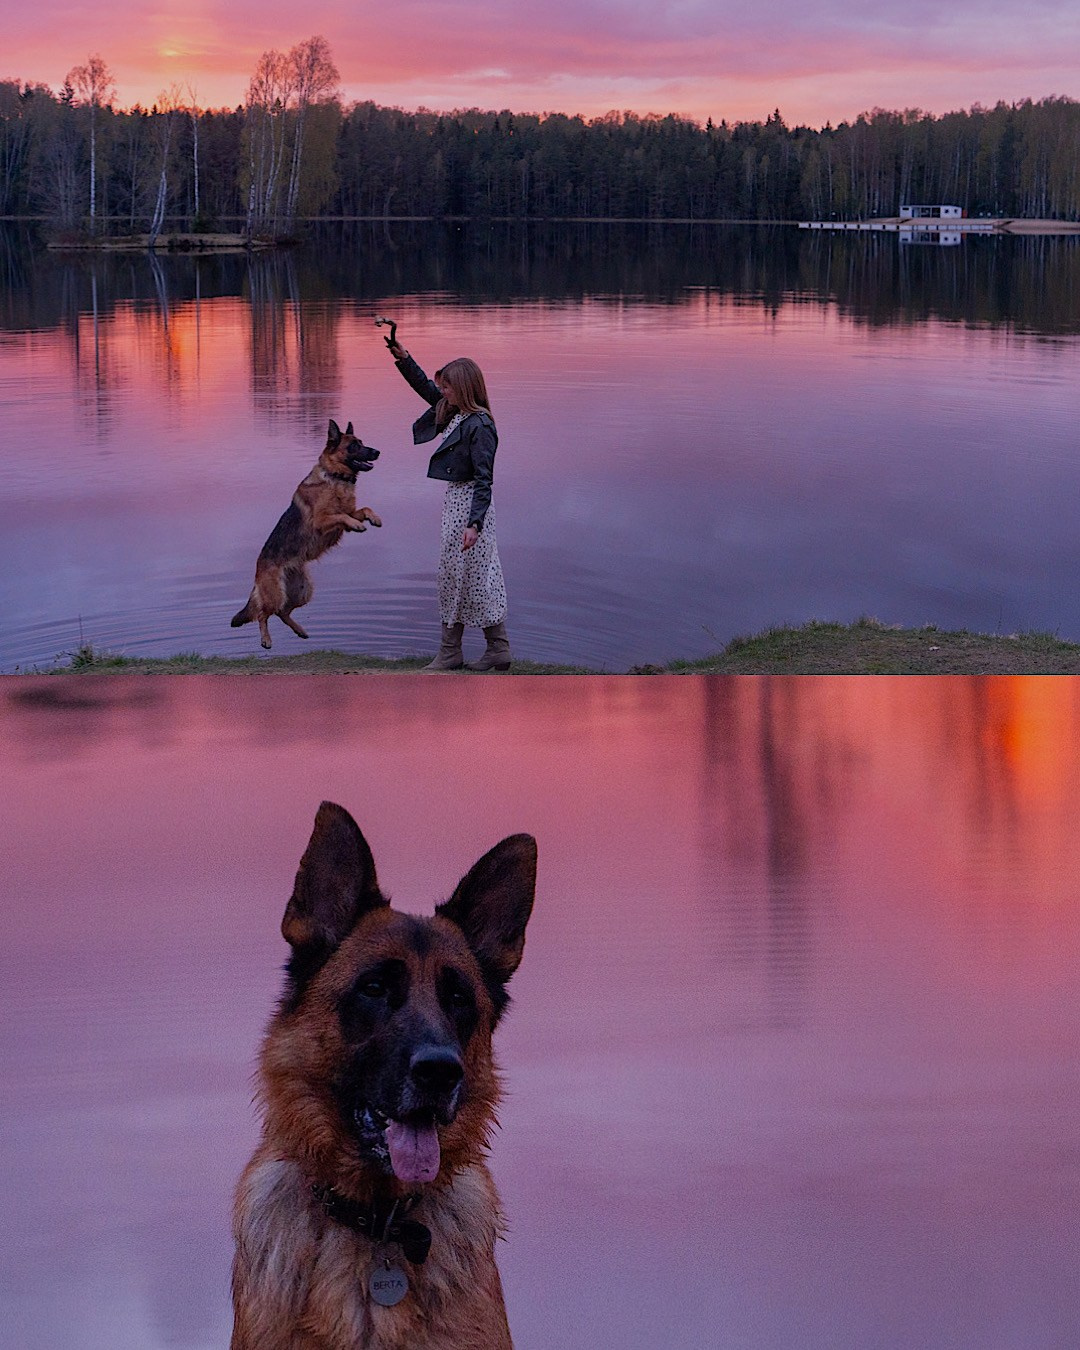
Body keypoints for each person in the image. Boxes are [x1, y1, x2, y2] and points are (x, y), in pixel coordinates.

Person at [385, 332, 511, 672]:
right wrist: (403, 358)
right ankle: (463, 651)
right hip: (456, 501)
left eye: (448, 387)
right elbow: (426, 388)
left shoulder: (480, 425)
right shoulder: (454, 412)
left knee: (475, 576)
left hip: (471, 505)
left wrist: (474, 524)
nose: (442, 392)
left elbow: (485, 479)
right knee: (457, 575)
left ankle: (475, 650)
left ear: (464, 389)